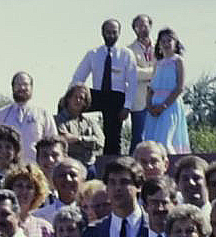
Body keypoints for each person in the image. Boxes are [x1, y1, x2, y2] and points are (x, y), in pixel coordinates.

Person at [70, 19, 134, 157]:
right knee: (66, 105)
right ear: (102, 33)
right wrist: (70, 98)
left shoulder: (126, 54)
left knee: (112, 136)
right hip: (97, 94)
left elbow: (132, 82)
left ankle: (111, 163)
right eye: (108, 32)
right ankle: (71, 142)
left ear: (119, 33)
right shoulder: (93, 54)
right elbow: (78, 77)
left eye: (114, 32)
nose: (110, 35)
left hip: (116, 96)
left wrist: (127, 106)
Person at [139, 27, 188, 154]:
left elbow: (179, 88)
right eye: (163, 41)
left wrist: (164, 105)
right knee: (152, 142)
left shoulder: (178, 61)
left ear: (175, 43)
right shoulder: (158, 63)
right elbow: (151, 88)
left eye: (169, 41)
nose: (166, 44)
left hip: (170, 105)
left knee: (165, 141)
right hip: (154, 106)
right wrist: (149, 105)